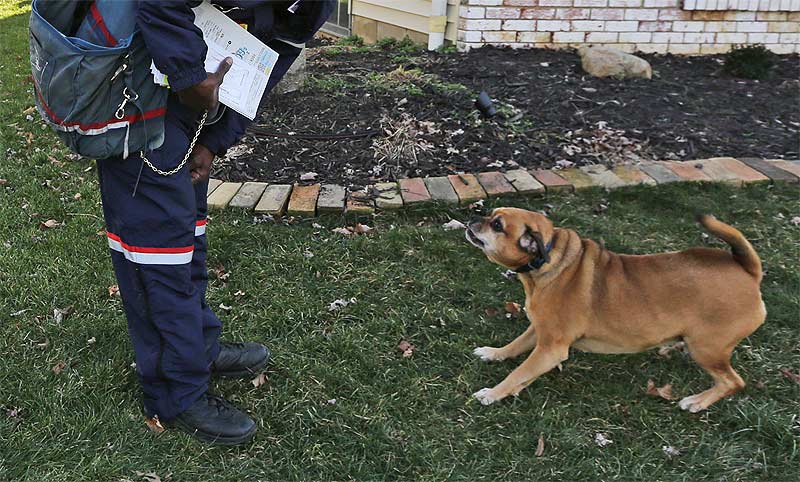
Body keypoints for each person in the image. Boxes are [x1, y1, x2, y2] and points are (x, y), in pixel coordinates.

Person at [95, 0, 333, 445]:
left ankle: (197, 349)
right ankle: (175, 391)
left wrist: (215, 141)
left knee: (188, 241)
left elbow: (272, 56)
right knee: (157, 256)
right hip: (138, 103)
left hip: (193, 113)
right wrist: (189, 78)